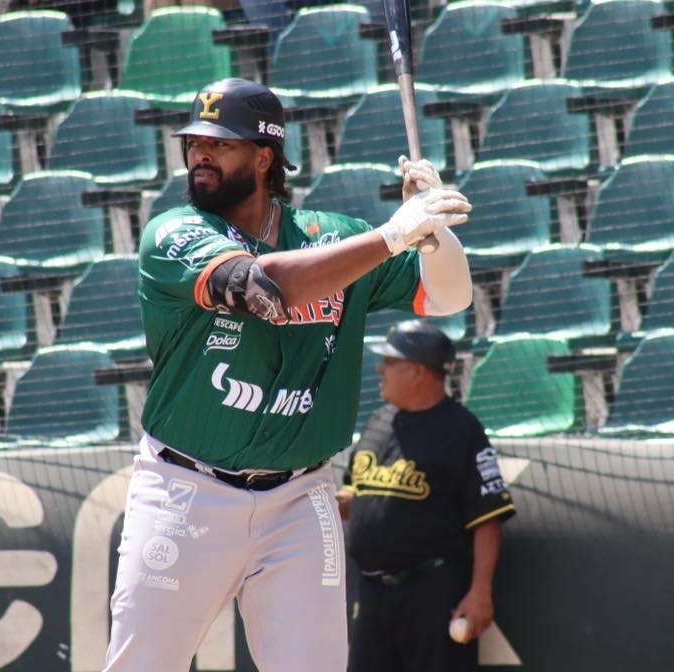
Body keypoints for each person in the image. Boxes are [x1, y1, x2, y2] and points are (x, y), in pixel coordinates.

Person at [105, 76, 474, 672]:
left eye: (219, 144)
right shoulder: (172, 233)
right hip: (185, 491)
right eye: (194, 141)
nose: (199, 153)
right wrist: (392, 234)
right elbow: (260, 284)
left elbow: (450, 297)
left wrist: (433, 235)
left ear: (264, 155)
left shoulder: (335, 238)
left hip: (301, 498)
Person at [336, 320, 517, 672]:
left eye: (389, 362)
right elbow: (358, 495)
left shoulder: (461, 429)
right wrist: (334, 502)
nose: (379, 369)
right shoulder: (378, 422)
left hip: (432, 593)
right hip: (372, 592)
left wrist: (480, 591)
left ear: (417, 371)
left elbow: (487, 517)